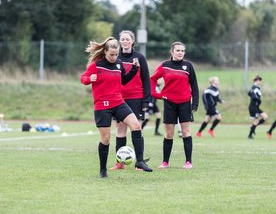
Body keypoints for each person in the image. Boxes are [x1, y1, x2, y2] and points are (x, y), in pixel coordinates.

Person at [80, 37, 152, 178]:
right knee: (105, 139)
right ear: (105, 52)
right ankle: (102, 170)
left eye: (116, 54)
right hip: (102, 106)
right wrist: (89, 79)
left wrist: (134, 69)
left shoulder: (119, 63)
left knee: (136, 126)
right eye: (111, 54)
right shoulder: (97, 65)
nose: (114, 57)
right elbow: (83, 78)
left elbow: (123, 80)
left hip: (118, 102)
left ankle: (140, 161)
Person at [150, 41, 199, 169]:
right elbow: (152, 79)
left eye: (182, 51)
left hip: (185, 103)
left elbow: (194, 85)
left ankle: (188, 162)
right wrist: (155, 94)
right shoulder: (165, 65)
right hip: (169, 103)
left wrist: (195, 104)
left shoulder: (188, 66)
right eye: (178, 50)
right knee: (169, 134)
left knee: (186, 132)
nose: (180, 53)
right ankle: (165, 162)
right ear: (172, 52)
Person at [110, 30, 151, 170]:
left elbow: (146, 79)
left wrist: (146, 100)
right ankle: (119, 163)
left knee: (136, 128)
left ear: (133, 41)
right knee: (120, 130)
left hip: (137, 98)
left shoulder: (139, 57)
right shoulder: (115, 57)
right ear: (119, 41)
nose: (125, 41)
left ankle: (139, 162)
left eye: (128, 39)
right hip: (119, 99)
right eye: (123, 39)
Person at [247, 75, 268, 139]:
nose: (260, 82)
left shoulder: (256, 87)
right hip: (253, 107)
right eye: (260, 81)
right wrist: (259, 100)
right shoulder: (254, 87)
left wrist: (258, 101)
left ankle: (253, 127)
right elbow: (253, 96)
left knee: (265, 117)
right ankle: (250, 135)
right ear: (257, 80)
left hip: (256, 107)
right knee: (256, 121)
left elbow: (249, 93)